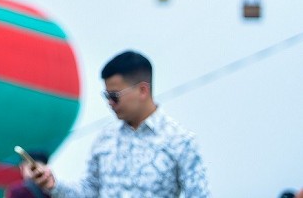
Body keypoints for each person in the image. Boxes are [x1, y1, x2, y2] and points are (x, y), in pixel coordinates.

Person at [22, 51, 210, 197]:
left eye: (114, 96)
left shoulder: (180, 142)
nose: (109, 103)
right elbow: (88, 193)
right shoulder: (106, 140)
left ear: (143, 90)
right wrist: (53, 184)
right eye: (106, 96)